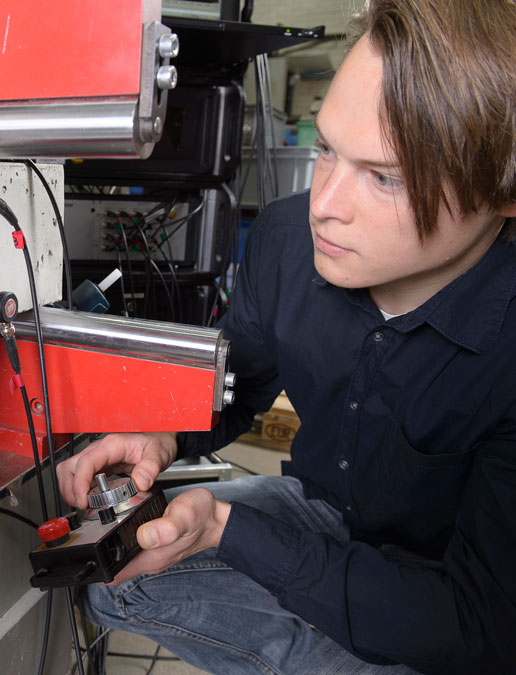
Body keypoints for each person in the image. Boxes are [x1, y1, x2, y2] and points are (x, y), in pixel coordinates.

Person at [56, 1, 516, 672]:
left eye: (384, 177)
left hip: (446, 582)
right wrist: (165, 432)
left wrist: (231, 533)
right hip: (321, 510)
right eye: (327, 149)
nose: (323, 204)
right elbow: (236, 382)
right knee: (113, 574)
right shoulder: (283, 241)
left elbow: (483, 622)